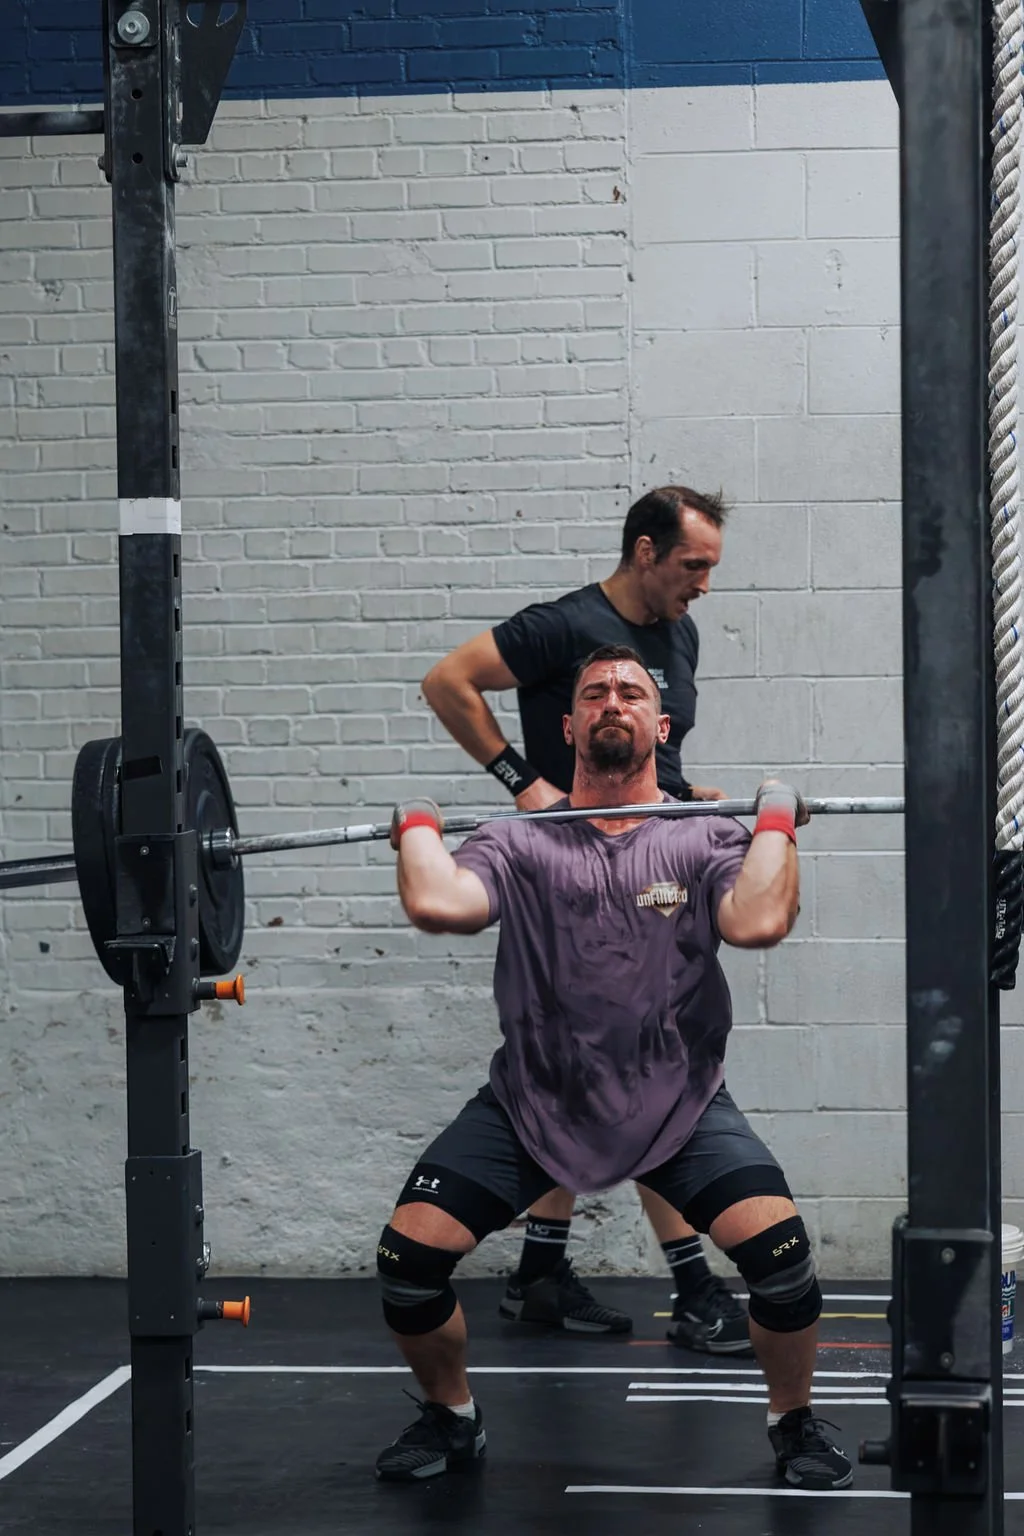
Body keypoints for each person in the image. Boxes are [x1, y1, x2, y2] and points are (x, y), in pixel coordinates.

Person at [374, 647, 851, 1491]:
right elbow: (438, 903)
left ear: (660, 727)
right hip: (533, 1100)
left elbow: (758, 919)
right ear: (569, 726)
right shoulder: (517, 842)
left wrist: (771, 817)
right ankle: (450, 1416)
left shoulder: (702, 834)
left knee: (780, 1258)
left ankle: (795, 1420)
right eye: (594, 693)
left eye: (632, 693)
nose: (612, 703)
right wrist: (417, 824)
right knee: (408, 1263)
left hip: (677, 1100)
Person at [420, 485, 749, 1352]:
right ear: (644, 551)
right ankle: (693, 1285)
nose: (704, 584)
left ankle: (541, 1270)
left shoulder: (678, 631)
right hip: (571, 866)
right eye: (692, 565)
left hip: (647, 856)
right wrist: (524, 785)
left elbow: (651, 747)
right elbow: (446, 680)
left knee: (603, 1062)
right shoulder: (560, 627)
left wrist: (682, 795)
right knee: (636, 1064)